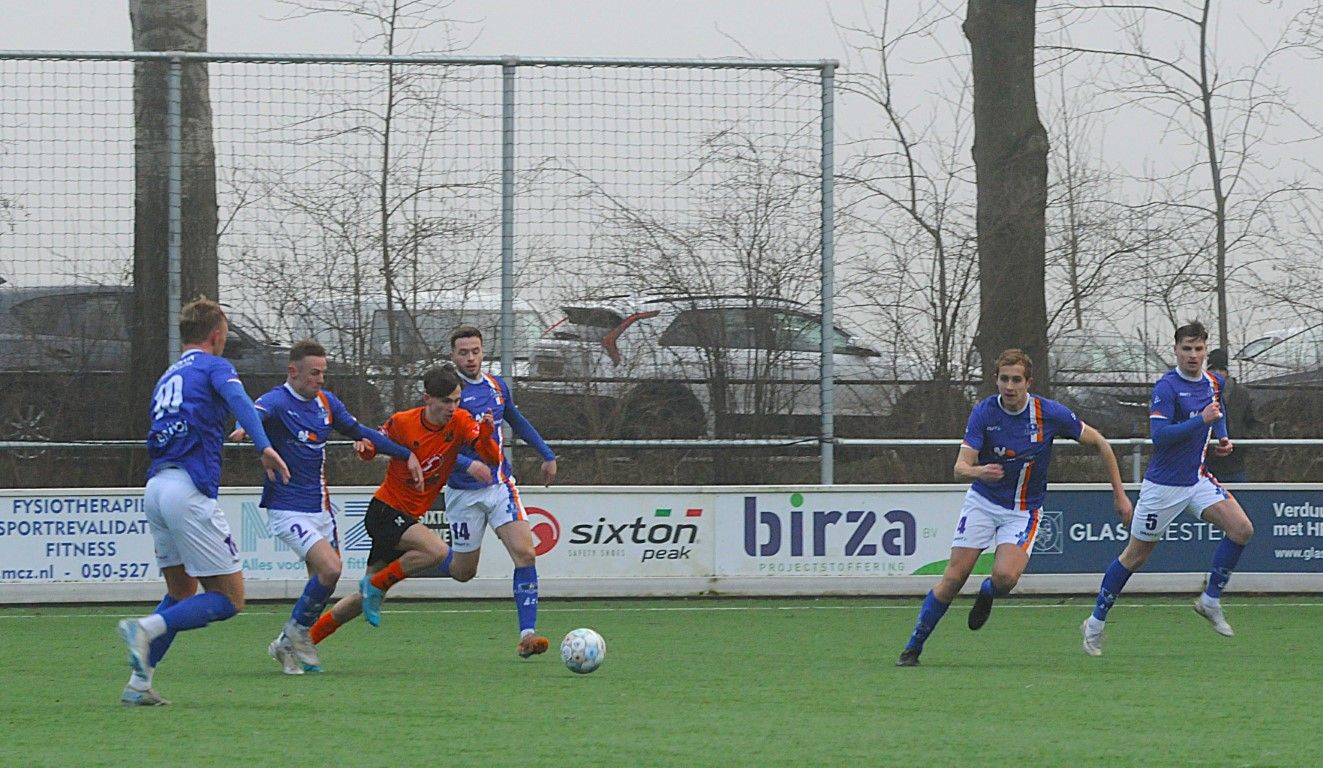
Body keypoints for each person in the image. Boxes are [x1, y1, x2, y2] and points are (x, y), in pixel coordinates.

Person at [896, 348, 1132, 667]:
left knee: (1006, 578)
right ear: (996, 380)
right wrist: (980, 471)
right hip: (982, 502)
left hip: (1023, 510)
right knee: (953, 578)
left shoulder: (1048, 414)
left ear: (1028, 382)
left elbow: (1101, 443)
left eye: (1016, 380)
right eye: (1004, 379)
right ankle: (913, 647)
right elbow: (959, 468)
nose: (1010, 386)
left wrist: (1119, 494)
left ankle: (988, 592)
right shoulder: (984, 413)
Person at [116, 297, 292, 706]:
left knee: (181, 590)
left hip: (157, 487)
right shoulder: (215, 365)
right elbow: (241, 404)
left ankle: (138, 686)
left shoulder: (167, 375)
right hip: (187, 491)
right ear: (217, 335)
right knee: (230, 598)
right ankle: (145, 627)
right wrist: (263, 446)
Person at [229, 339, 425, 675]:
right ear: (293, 371)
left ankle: (285, 645)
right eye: (314, 373)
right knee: (331, 568)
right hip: (287, 507)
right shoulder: (275, 401)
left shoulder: (326, 402)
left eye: (323, 372)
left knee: (324, 580)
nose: (320, 379)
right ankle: (295, 633)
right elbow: (254, 415)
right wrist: (246, 429)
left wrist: (404, 454)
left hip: (320, 508)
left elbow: (359, 430)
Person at [1082, 322, 1255, 656]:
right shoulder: (1167, 387)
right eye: (1187, 349)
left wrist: (1222, 435)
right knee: (1135, 556)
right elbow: (1160, 437)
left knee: (1242, 529)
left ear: (1206, 350)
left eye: (1199, 349)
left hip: (1197, 479)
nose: (1193, 355)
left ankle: (1210, 599)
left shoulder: (1211, 381)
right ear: (1176, 350)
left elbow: (1215, 411)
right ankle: (1095, 622)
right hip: (1163, 486)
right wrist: (1201, 421)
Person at [306, 364, 502, 643]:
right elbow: (374, 445)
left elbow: (491, 459)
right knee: (436, 551)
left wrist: (485, 437)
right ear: (428, 399)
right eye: (446, 401)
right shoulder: (403, 422)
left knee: (362, 596)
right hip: (385, 511)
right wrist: (365, 448)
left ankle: (303, 640)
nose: (453, 407)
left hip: (406, 517)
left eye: (457, 400)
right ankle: (377, 585)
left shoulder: (461, 420)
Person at [445, 325, 559, 658]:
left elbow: (516, 419)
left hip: (499, 487)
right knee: (464, 572)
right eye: (463, 352)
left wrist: (546, 453)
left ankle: (528, 634)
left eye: (475, 351)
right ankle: (409, 563)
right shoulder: (447, 395)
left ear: (483, 352)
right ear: (452, 356)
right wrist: (468, 465)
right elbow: (439, 446)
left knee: (525, 553)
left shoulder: (496, 386)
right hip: (463, 493)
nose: (470, 358)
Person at [1203, 347, 1256, 484]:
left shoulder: (1242, 394)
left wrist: (1239, 441)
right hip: (1207, 464)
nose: (1217, 373)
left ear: (1226, 371)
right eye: (1213, 369)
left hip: (1235, 464)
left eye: (1221, 369)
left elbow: (1254, 424)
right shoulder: (1200, 393)